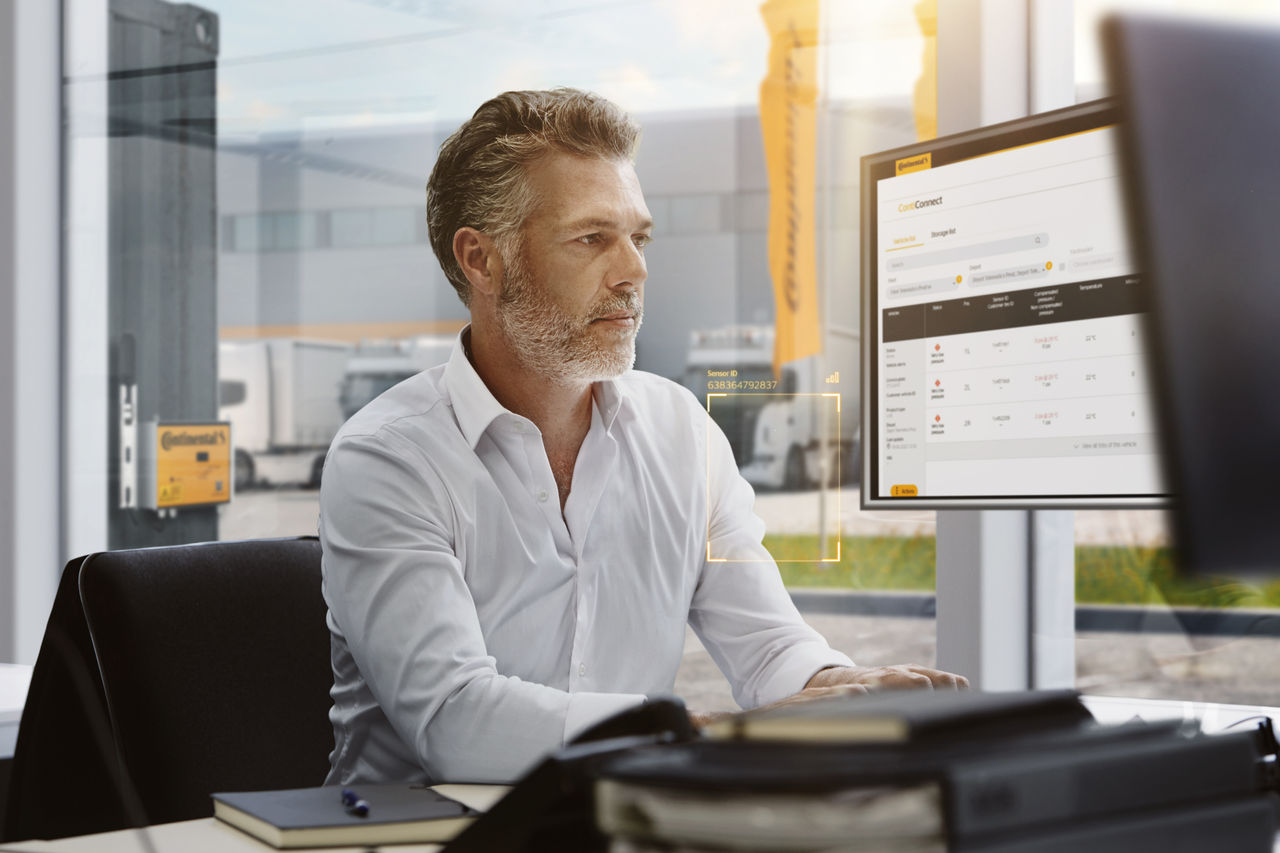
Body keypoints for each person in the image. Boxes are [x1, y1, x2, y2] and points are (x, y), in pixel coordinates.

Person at [319, 88, 966, 786]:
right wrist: (703, 736)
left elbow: (766, 643)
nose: (634, 271)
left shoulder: (682, 431)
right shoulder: (387, 457)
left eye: (640, 237)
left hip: (619, 823)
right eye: (592, 238)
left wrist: (848, 686)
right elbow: (455, 721)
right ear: (481, 259)